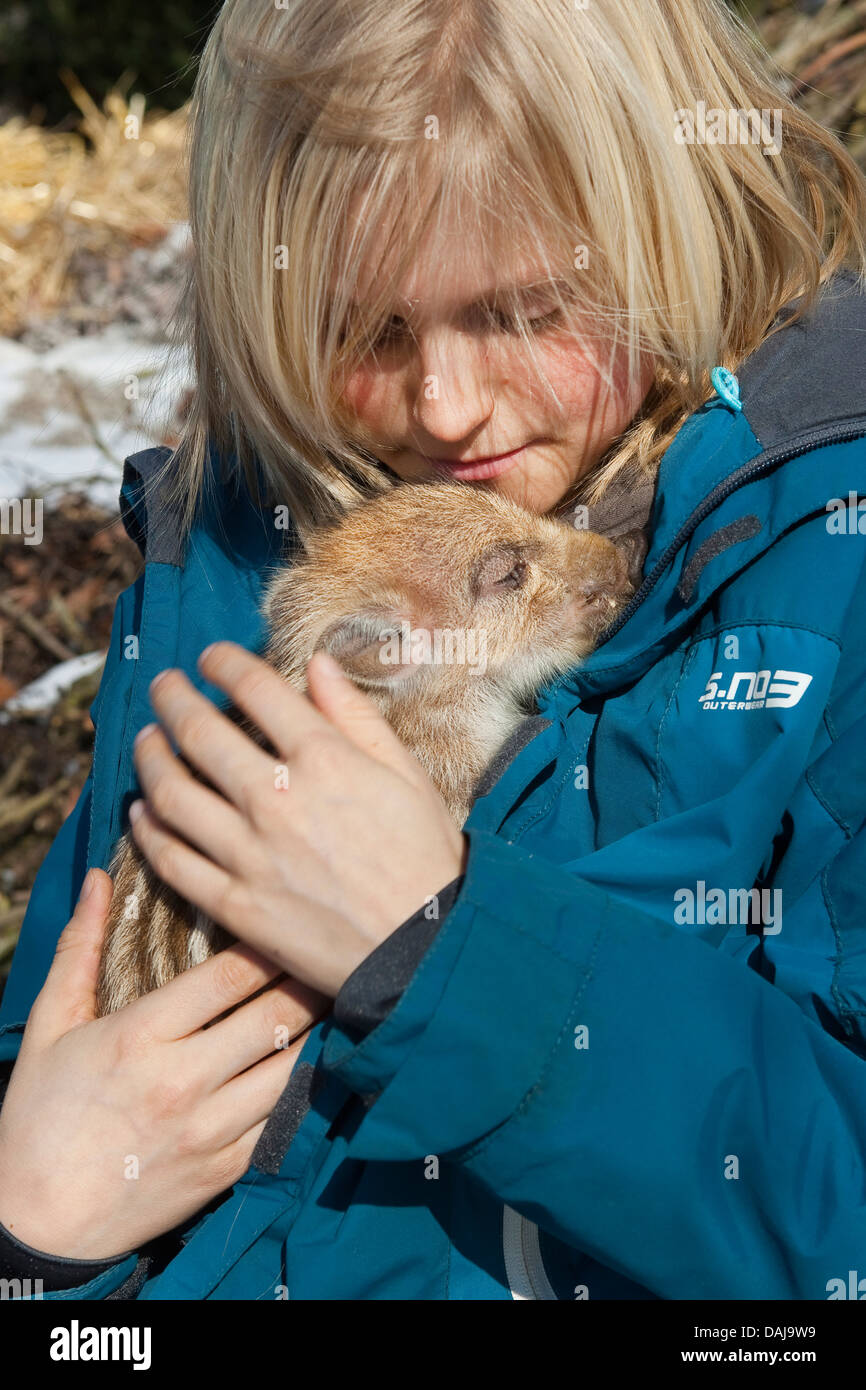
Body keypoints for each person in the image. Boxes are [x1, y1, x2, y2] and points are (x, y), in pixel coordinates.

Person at [1, 0, 865, 1301]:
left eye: (525, 308)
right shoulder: (236, 546)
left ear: (670, 220)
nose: (444, 403)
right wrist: (38, 1232)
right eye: (368, 331)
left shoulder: (823, 559)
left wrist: (451, 955)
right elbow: (63, 1034)